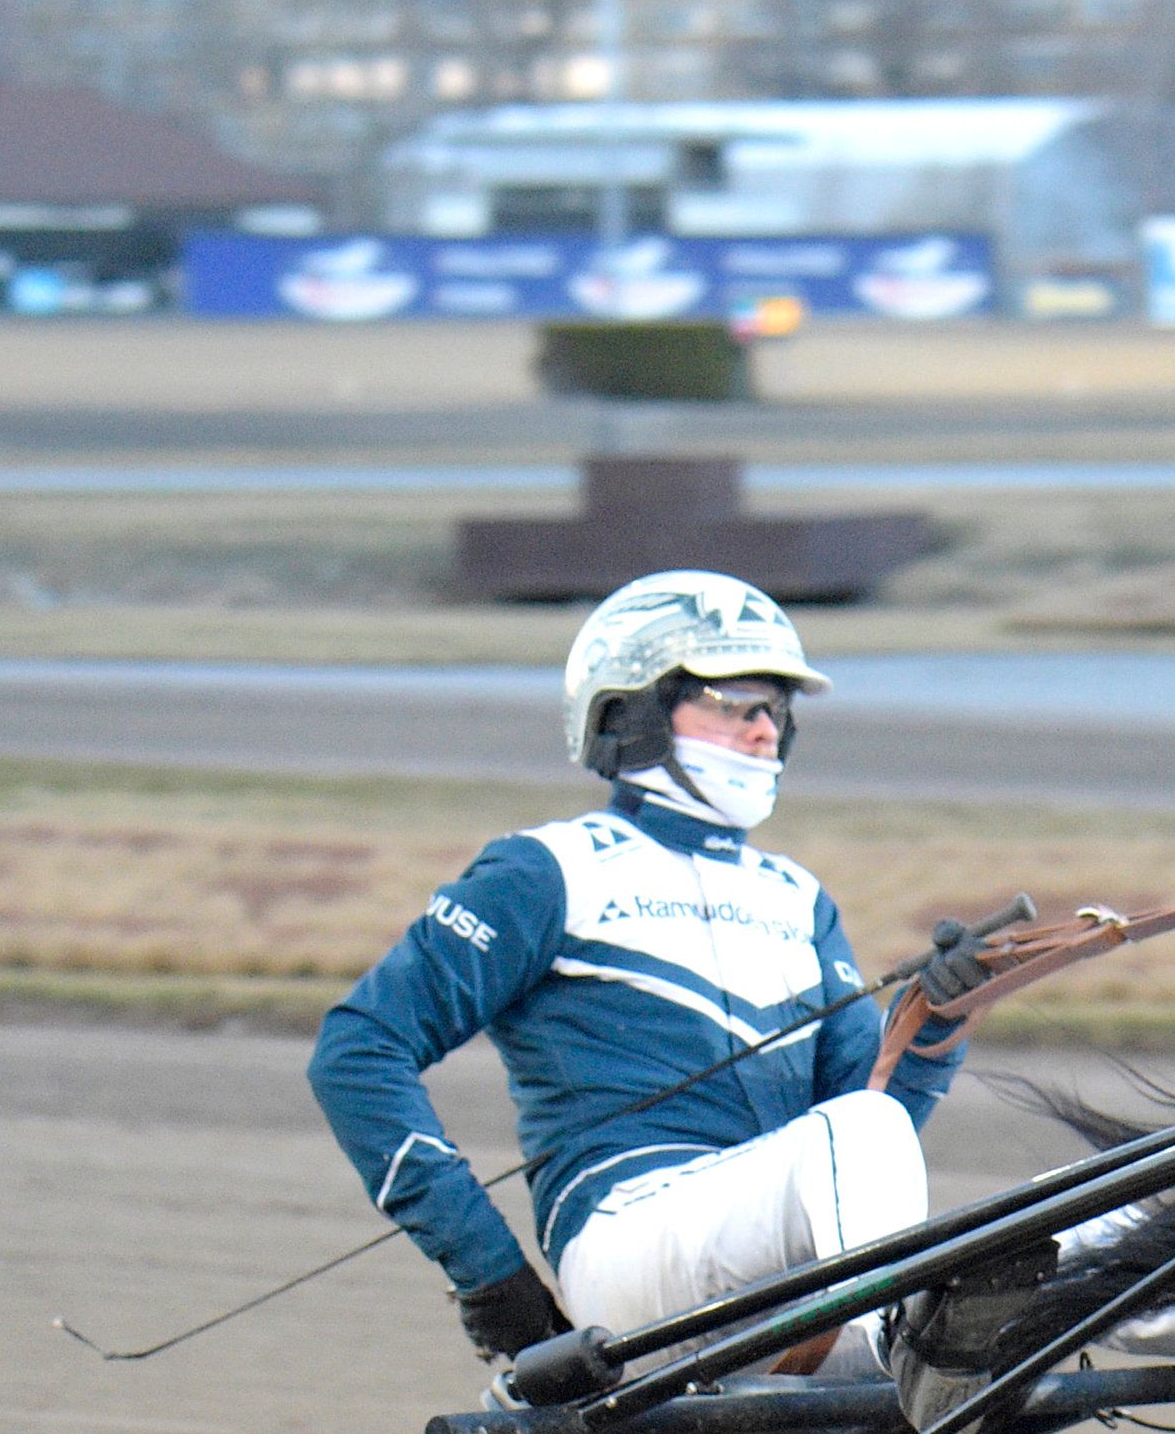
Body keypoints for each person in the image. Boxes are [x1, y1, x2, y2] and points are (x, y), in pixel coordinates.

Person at [310, 570, 966, 1374]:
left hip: (767, 1264)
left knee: (1087, 1206)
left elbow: (859, 1132)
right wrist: (490, 1276)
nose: (765, 732)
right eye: (733, 704)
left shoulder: (799, 898)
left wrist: (934, 1027)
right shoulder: (547, 871)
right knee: (865, 1140)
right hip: (623, 1248)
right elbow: (357, 1053)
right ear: (635, 713)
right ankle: (906, 1364)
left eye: (777, 710)